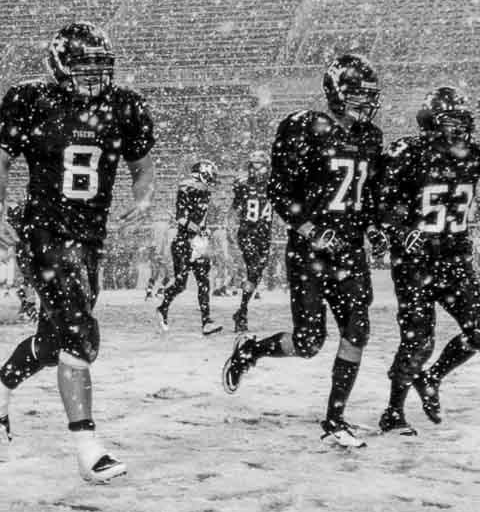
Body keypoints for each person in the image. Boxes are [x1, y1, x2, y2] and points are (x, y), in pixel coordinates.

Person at [0, 21, 156, 482]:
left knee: (54, 344)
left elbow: (142, 165)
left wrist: (143, 197)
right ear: (58, 68)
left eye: (100, 68)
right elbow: (1, 158)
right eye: (82, 68)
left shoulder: (124, 107)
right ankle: (87, 446)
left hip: (89, 238)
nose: (93, 79)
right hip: (43, 233)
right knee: (80, 333)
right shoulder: (35, 101)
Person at [219, 53, 388, 449]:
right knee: (310, 342)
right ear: (338, 94)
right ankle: (252, 350)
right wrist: (311, 230)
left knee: (357, 330)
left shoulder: (369, 138)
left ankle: (335, 418)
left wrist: (375, 227)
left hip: (348, 251)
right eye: (360, 95)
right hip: (309, 251)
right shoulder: (305, 128)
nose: (368, 103)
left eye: (370, 96)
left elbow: (367, 197)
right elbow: (279, 191)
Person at [371, 86, 480, 436]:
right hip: (415, 261)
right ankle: (393, 411)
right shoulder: (408, 152)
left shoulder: (474, 155)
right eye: (448, 122)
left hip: (454, 257)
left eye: (461, 121)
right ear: (430, 123)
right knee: (418, 340)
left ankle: (431, 378)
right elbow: (382, 202)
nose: (457, 130)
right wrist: (399, 230)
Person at [154, 159, 222, 335]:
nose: (212, 181)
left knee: (204, 282)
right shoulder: (186, 189)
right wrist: (198, 228)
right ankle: (162, 308)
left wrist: (204, 230)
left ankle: (206, 321)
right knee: (180, 283)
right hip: (183, 242)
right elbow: (182, 219)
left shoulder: (205, 193)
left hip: (197, 243)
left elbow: (202, 219)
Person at [230, 152, 274, 331]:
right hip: (247, 232)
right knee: (254, 267)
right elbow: (234, 207)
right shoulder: (243, 184)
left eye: (260, 164)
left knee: (255, 275)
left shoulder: (273, 185)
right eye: (254, 164)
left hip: (264, 234)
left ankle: (241, 311)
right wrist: (230, 225)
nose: (257, 169)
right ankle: (241, 314)